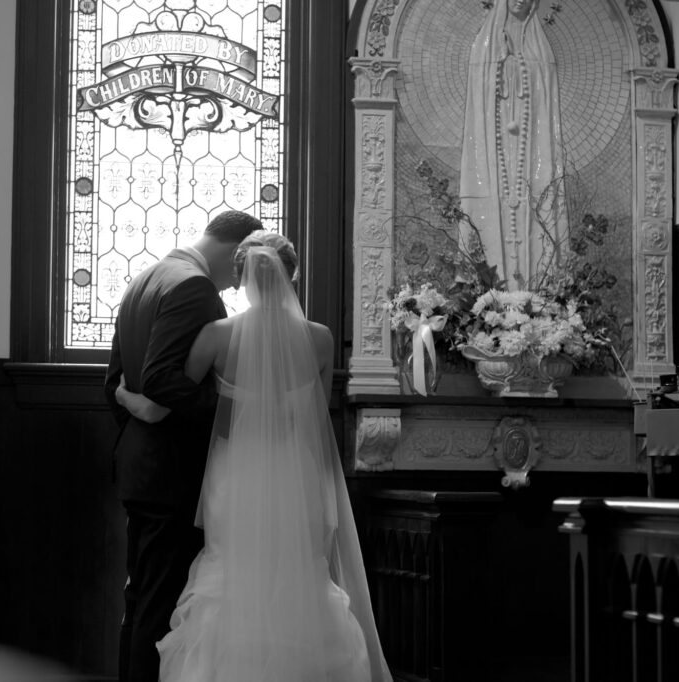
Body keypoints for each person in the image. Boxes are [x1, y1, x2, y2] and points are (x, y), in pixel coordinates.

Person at [116, 232, 392, 682]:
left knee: (232, 570)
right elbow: (316, 427)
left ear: (241, 279)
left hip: (235, 472)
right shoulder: (320, 341)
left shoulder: (216, 336)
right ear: (292, 276)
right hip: (295, 472)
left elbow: (172, 402)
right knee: (296, 570)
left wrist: (133, 401)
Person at [104, 210, 262, 682]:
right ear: (236, 251)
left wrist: (140, 412)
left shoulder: (145, 278)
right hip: (173, 476)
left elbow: (114, 384)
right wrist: (236, 411)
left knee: (139, 602)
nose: (238, 285)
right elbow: (161, 380)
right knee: (161, 607)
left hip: (140, 469)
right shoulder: (194, 288)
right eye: (242, 270)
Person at [459, 0, 568, 289]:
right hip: (494, 151)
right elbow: (480, 97)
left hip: (531, 145)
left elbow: (545, 100)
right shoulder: (485, 47)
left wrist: (521, 64)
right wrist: (502, 65)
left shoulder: (538, 48)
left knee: (533, 205)